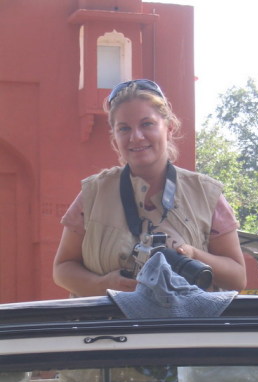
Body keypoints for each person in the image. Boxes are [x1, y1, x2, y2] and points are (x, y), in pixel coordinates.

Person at [53, 79, 246, 298]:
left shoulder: (205, 194)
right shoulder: (93, 194)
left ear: (169, 128)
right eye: (124, 128)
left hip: (184, 331)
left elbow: (237, 278)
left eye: (147, 124)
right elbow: (62, 269)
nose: (136, 137)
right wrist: (103, 285)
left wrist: (191, 254)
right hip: (107, 330)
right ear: (115, 139)